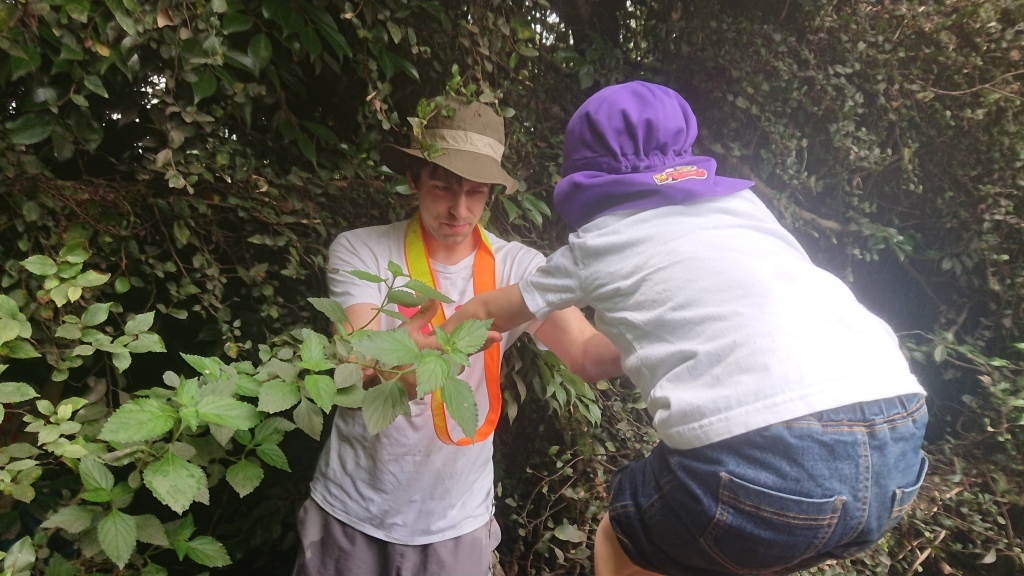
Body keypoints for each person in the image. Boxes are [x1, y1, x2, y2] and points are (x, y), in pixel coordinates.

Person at [434, 81, 929, 576]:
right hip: (898, 442)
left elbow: (487, 310)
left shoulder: (601, 240)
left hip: (760, 461)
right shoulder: (745, 207)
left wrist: (433, 345)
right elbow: (617, 349)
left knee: (620, 539)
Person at [291, 96, 622, 576]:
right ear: (413, 178)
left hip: (456, 522)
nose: (459, 209)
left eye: (476, 192)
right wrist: (409, 361)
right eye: (443, 186)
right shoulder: (361, 250)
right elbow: (353, 374)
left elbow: (589, 355)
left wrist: (667, 331)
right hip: (353, 510)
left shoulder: (517, 267)